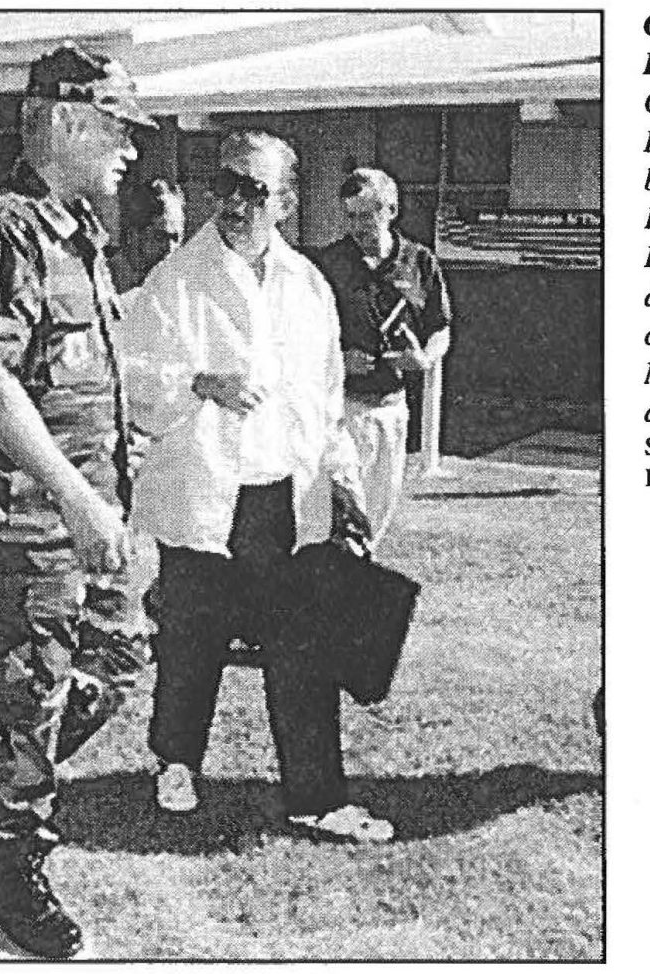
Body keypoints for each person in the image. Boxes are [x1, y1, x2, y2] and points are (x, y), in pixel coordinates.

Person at [0, 43, 155, 958]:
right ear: (66, 122)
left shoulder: (75, 234)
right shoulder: (3, 228)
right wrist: (75, 497)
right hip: (18, 520)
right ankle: (12, 872)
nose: (131, 150)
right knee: (31, 691)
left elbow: (67, 374)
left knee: (117, 655)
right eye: (117, 129)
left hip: (77, 512)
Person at [120, 131, 394, 843]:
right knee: (191, 643)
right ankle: (176, 760)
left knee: (303, 649)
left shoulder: (307, 285)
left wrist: (341, 479)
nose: (237, 201)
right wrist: (200, 382)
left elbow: (324, 396)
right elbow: (137, 385)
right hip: (208, 493)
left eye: (255, 189)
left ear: (289, 202)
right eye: (228, 184)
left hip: (285, 497)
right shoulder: (176, 280)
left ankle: (317, 796)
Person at [312, 168, 452, 546]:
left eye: (367, 214)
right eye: (351, 215)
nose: (358, 226)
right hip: (342, 409)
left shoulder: (420, 262)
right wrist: (341, 360)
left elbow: (440, 327)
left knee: (377, 516)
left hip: (391, 410)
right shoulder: (329, 265)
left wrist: (423, 358)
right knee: (339, 516)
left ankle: (359, 589)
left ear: (391, 210)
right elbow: (302, 337)